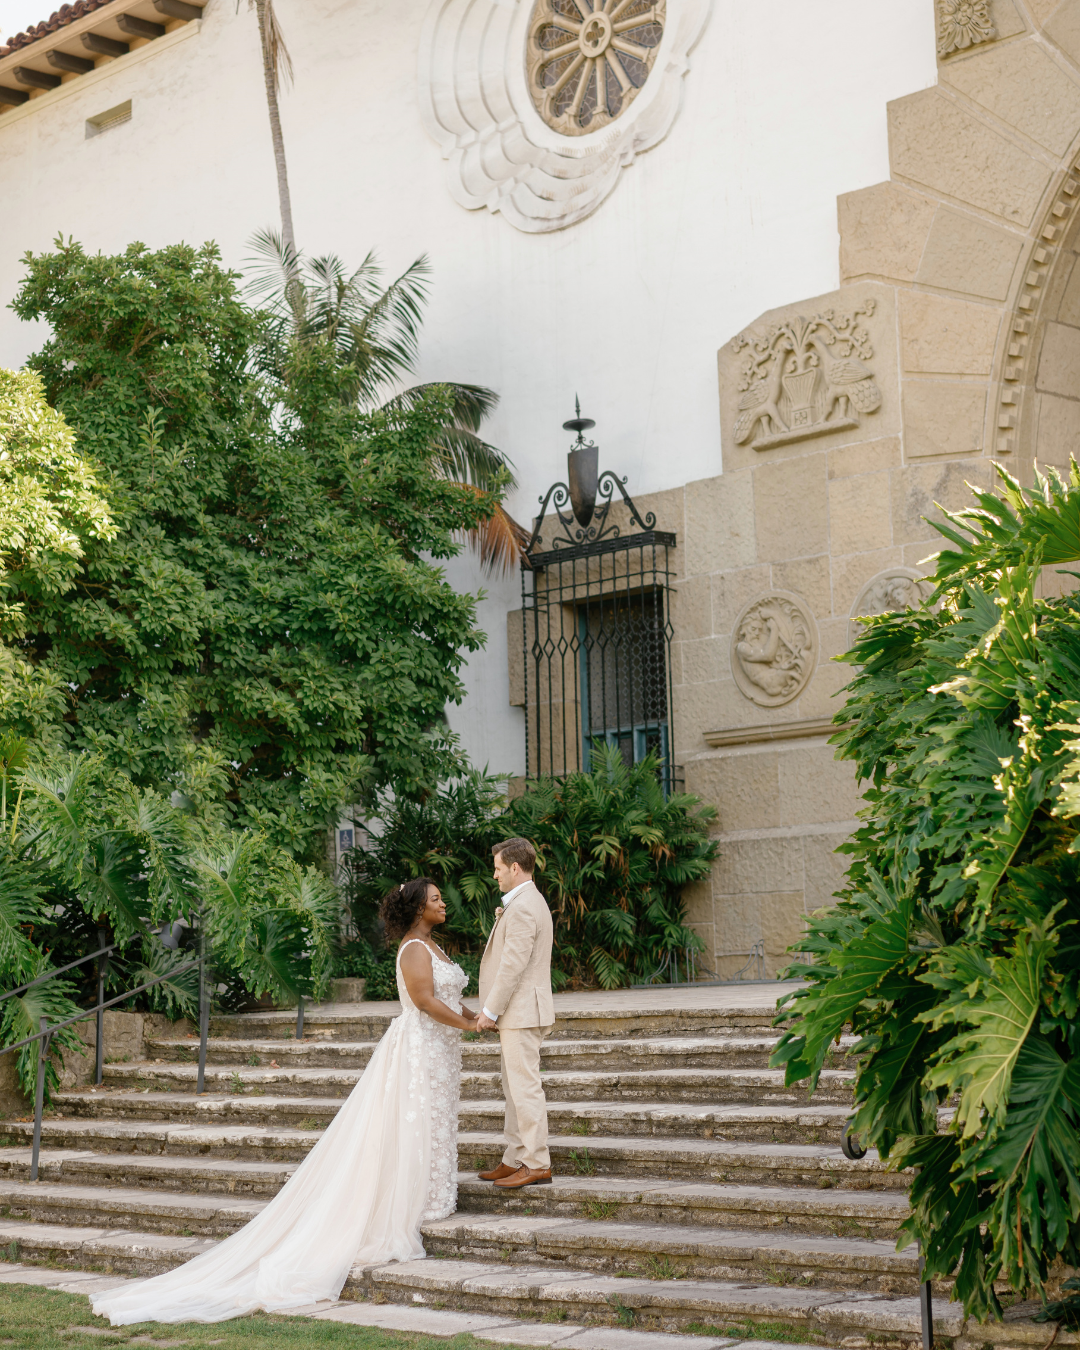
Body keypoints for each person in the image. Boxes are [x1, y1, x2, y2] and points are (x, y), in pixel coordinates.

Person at [92, 877, 477, 1326]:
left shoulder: (433, 946)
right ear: (417, 909)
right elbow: (426, 1002)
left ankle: (433, 1192)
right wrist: (468, 1028)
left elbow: (451, 998)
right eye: (435, 900)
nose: (443, 903)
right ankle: (412, 1201)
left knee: (433, 1120)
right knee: (412, 1122)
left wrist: (478, 1017)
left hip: (439, 1051)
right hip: (418, 1048)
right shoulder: (413, 949)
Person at [476, 836, 555, 1189]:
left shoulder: (523, 906)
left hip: (522, 1011)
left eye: (498, 869)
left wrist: (490, 1011)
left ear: (515, 868)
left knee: (525, 1088)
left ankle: (537, 1163)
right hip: (519, 1012)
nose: (495, 876)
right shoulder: (526, 901)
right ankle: (515, 1157)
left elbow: (513, 965)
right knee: (514, 1088)